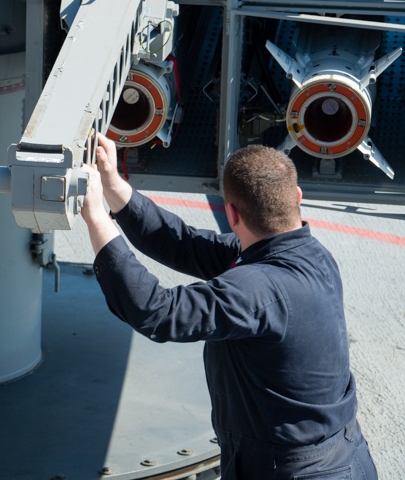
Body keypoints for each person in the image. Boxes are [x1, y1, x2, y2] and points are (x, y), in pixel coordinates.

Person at [79, 132, 377, 479]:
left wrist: (96, 219)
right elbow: (187, 244)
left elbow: (156, 311)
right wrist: (113, 186)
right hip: (345, 458)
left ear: (231, 214)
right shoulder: (310, 255)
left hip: (293, 471)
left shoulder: (258, 289)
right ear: (296, 197)